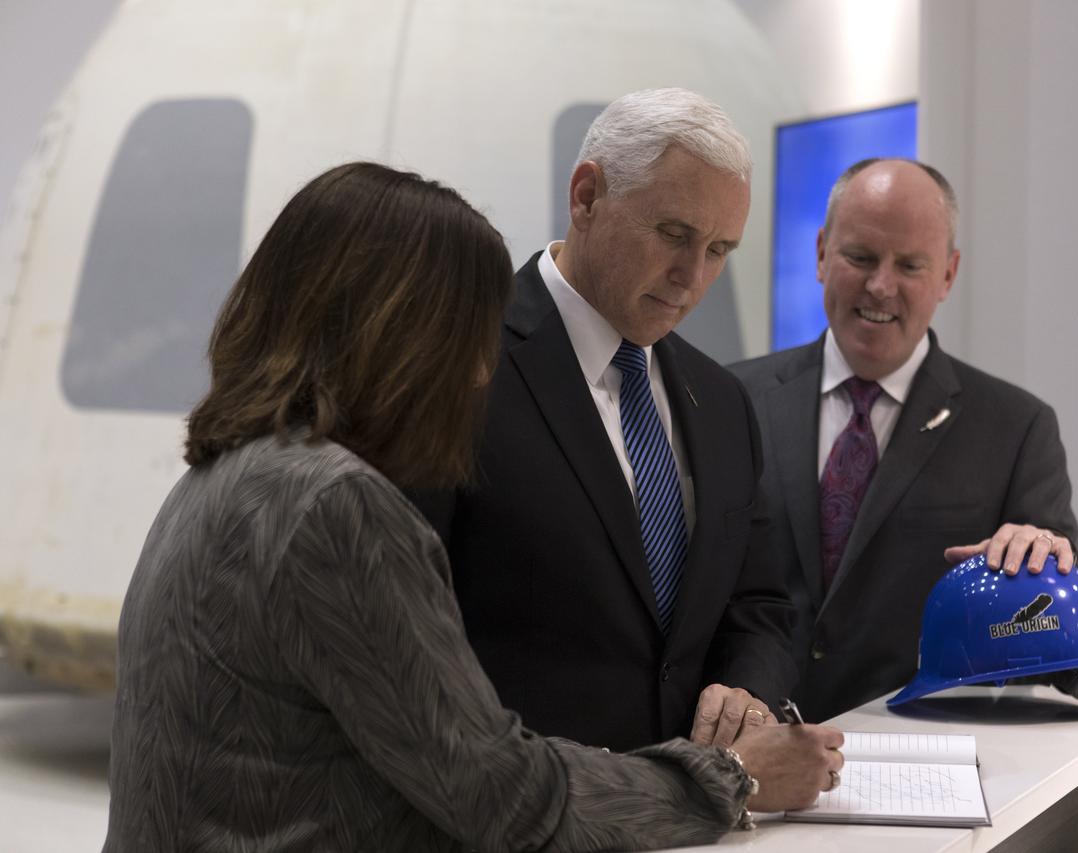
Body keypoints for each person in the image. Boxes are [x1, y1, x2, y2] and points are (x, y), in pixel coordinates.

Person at [103, 162, 844, 852]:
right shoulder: (336, 505)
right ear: (396, 331)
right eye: (466, 333)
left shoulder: (218, 480)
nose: (482, 367)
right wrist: (733, 778)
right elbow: (499, 791)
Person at [408, 89, 794, 752]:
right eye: (674, 234)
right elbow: (410, 631)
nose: (692, 276)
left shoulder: (723, 400)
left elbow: (760, 604)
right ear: (586, 196)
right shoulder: (456, 364)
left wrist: (747, 691)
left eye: (719, 250)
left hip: (697, 814)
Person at [731, 158, 1078, 722]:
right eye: (860, 257)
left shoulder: (1017, 428)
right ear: (822, 253)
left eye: (910, 265)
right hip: (749, 753)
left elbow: (1062, 617)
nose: (880, 286)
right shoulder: (731, 400)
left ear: (948, 275)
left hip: (921, 754)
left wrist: (1037, 560)